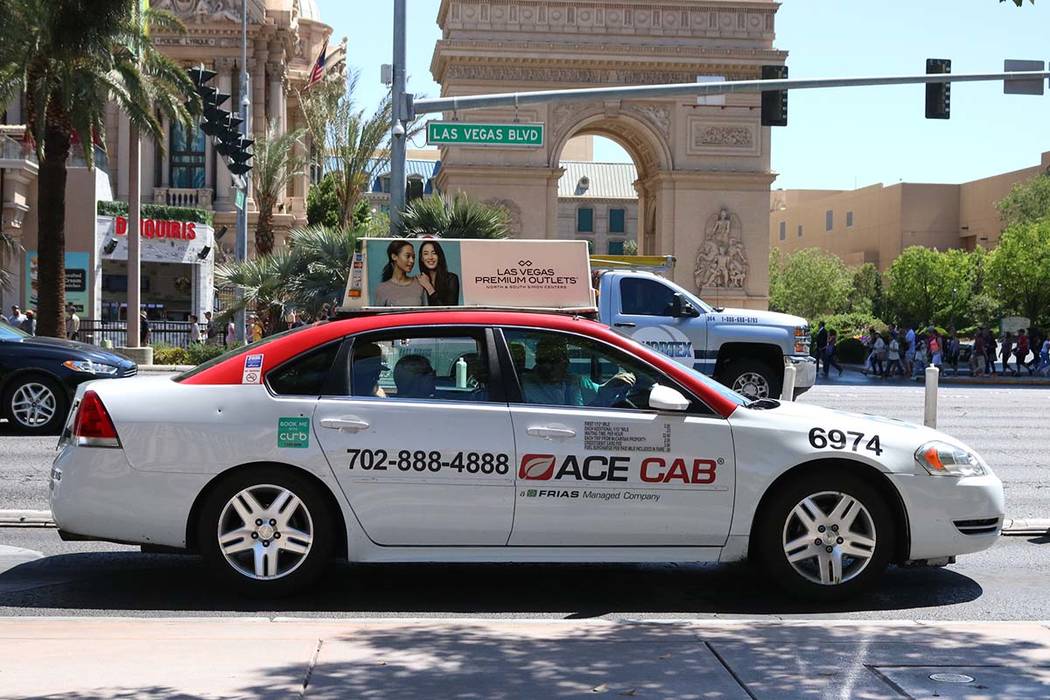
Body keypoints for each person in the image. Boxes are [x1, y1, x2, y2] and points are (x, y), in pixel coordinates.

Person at [519, 336, 635, 407]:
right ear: (536, 361)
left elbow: (600, 393)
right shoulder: (523, 383)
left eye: (554, 361)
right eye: (543, 361)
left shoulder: (577, 382)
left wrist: (616, 382)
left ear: (565, 363)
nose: (548, 367)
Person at [374, 240, 427, 307]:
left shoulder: (420, 284)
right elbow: (378, 316)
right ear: (394, 256)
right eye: (407, 256)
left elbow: (426, 313)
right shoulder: (382, 289)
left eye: (413, 257)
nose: (412, 261)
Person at [417, 240, 461, 307]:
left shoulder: (451, 279)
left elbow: (448, 311)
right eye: (426, 254)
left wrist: (429, 287)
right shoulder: (419, 280)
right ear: (422, 258)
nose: (430, 257)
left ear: (439, 256)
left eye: (434, 253)